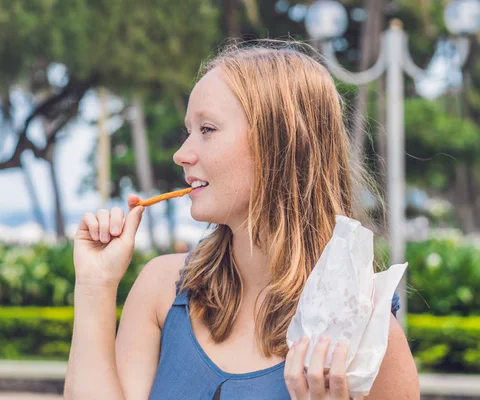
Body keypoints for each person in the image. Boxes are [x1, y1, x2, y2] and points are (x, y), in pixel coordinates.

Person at [63, 41, 420, 400]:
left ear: (278, 143)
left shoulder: (367, 336)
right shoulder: (162, 290)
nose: (181, 154)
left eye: (207, 129)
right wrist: (95, 287)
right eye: (189, 130)